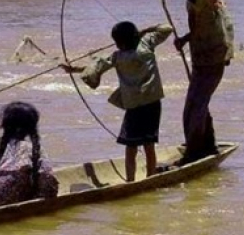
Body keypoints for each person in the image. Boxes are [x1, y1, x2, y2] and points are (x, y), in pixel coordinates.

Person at [147, 0, 235, 164]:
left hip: (212, 54)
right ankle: (207, 145)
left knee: (194, 106)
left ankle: (195, 152)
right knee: (199, 102)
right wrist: (186, 38)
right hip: (205, 52)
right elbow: (201, 17)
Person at [60, 21, 173, 180]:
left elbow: (95, 68)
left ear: (119, 42)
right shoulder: (147, 44)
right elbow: (167, 28)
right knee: (149, 144)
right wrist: (144, 31)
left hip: (134, 106)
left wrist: (73, 69)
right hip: (152, 102)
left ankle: (130, 180)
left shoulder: (117, 57)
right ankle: (150, 177)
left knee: (130, 146)